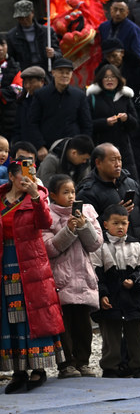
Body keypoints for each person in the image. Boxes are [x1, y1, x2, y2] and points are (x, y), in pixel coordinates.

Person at [0, 159, 64, 393]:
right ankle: (18, 371)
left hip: (30, 262)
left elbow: (45, 222)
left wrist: (35, 195)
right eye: (23, 176)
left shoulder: (38, 196)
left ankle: (39, 369)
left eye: (31, 175)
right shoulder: (0, 199)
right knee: (9, 315)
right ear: (12, 178)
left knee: (32, 314)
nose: (27, 179)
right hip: (5, 261)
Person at [43, 174, 103, 378]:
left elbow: (95, 244)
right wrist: (68, 230)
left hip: (83, 276)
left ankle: (83, 362)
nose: (71, 196)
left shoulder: (86, 211)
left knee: (83, 324)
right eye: (65, 192)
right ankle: (66, 364)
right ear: (53, 195)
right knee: (64, 325)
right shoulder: (47, 215)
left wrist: (84, 225)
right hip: (60, 278)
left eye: (73, 192)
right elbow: (49, 248)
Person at [91, 204, 140, 377]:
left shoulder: (136, 246)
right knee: (111, 336)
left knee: (135, 336)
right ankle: (111, 367)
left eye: (124, 223)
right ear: (105, 225)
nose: (120, 227)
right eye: (116, 223)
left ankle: (138, 366)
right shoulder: (100, 247)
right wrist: (102, 294)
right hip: (111, 299)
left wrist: (134, 281)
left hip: (133, 299)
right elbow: (95, 273)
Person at [76, 143, 140, 258]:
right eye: (113, 160)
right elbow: (86, 231)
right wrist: (112, 216)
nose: (118, 164)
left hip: (139, 253)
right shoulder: (87, 192)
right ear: (98, 163)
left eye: (120, 160)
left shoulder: (131, 184)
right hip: (108, 258)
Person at [25, 58, 92, 157]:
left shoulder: (79, 95)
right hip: (47, 150)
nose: (64, 75)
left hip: (73, 149)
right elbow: (32, 122)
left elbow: (87, 124)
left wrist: (82, 147)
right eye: (61, 72)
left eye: (68, 72)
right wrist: (40, 146)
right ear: (53, 73)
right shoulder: (41, 94)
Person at [85, 65, 139, 181]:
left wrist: (126, 118)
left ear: (118, 79)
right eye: (106, 77)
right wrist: (105, 122)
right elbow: (87, 124)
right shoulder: (92, 98)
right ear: (100, 80)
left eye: (113, 77)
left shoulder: (125, 97)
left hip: (124, 148)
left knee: (130, 181)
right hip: (101, 147)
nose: (110, 80)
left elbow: (135, 123)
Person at [98, 0, 140, 75]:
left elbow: (138, 55)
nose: (118, 13)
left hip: (126, 68)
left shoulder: (133, 29)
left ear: (127, 12)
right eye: (115, 9)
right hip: (106, 67)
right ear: (110, 10)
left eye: (121, 10)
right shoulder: (103, 27)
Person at [7, 0, 59, 69]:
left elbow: (58, 52)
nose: (24, 20)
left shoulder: (47, 31)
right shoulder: (11, 36)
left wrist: (53, 54)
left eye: (27, 17)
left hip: (46, 70)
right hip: (24, 72)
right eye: (21, 18)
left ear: (32, 13)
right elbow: (10, 58)